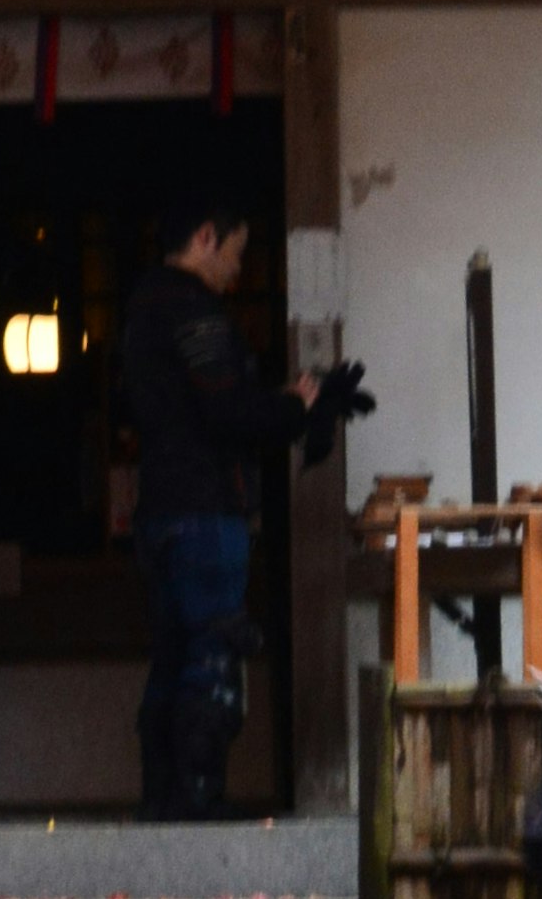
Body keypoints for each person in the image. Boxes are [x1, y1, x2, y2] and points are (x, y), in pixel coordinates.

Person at [117, 209, 362, 819]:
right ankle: (198, 804)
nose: (237, 268)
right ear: (203, 237)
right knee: (211, 655)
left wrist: (284, 401)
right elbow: (224, 413)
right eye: (236, 251)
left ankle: (163, 803)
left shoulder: (142, 308)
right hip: (204, 508)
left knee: (173, 654)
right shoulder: (193, 311)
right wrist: (297, 409)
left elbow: (193, 408)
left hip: (159, 508)